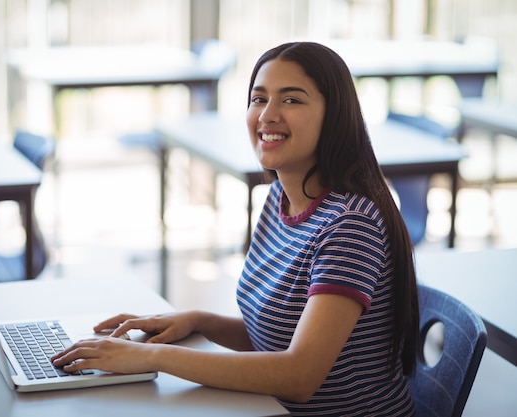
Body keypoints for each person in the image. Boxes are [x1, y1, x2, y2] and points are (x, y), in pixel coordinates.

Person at [52, 41, 420, 416]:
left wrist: (152, 357)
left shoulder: (349, 225)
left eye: (291, 100)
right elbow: (277, 337)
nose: (268, 115)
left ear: (334, 116)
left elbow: (299, 375)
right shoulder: (281, 196)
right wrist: (200, 321)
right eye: (259, 99)